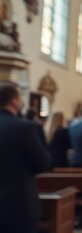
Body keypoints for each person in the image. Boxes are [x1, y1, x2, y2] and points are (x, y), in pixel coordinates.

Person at [0, 82, 51, 233]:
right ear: (13, 100)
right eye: (20, 97)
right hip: (18, 205)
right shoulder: (24, 127)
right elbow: (43, 163)